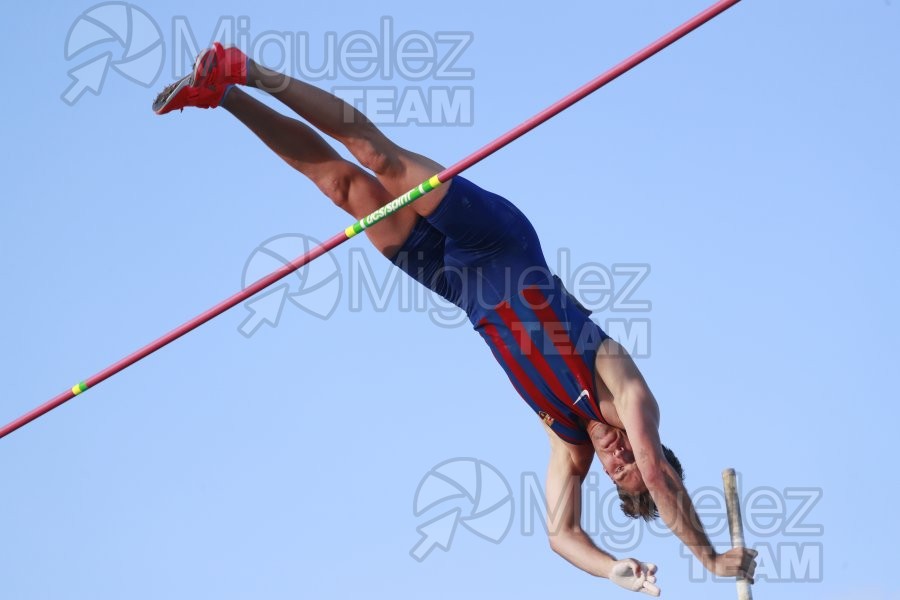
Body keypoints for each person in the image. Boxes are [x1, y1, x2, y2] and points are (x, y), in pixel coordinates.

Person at [154, 43, 757, 596]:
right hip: (499, 245)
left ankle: (222, 94)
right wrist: (710, 560)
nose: (622, 460)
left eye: (617, 474)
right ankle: (248, 70)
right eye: (637, 465)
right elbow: (653, 467)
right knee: (378, 156)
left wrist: (614, 570)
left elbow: (559, 536)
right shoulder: (626, 392)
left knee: (342, 186)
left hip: (454, 282)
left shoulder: (568, 446)